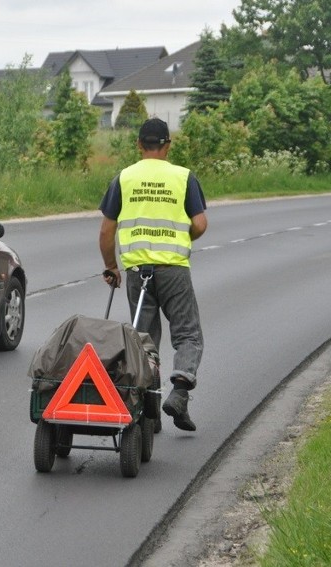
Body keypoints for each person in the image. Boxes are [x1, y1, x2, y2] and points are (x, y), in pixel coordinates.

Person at [98, 118, 208, 431]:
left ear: (138, 144)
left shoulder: (124, 178)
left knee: (145, 341)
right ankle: (181, 389)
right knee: (187, 333)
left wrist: (111, 266)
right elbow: (199, 224)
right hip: (173, 269)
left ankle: (149, 412)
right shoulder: (183, 177)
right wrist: (181, 239)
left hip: (137, 273)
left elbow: (107, 230)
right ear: (168, 144)